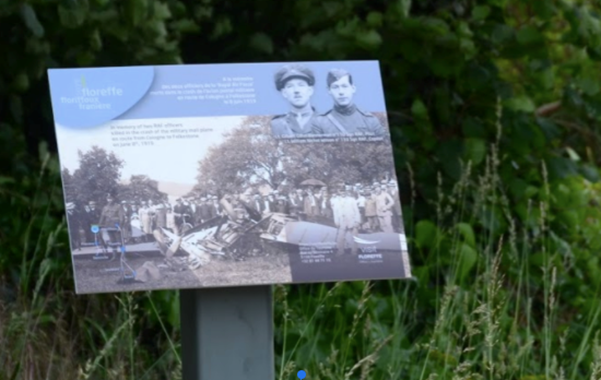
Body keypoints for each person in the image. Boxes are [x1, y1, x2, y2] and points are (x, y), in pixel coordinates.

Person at [311, 69, 385, 136]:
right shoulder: (320, 122)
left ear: (353, 88)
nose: (341, 92)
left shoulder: (370, 120)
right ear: (329, 90)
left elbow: (383, 148)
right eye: (335, 87)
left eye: (345, 86)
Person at [271, 65, 318, 137]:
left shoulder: (327, 121)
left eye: (301, 85)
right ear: (284, 93)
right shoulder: (276, 124)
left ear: (310, 90)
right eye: (290, 86)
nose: (296, 90)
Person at [333, 186, 361, 256]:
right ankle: (340, 251)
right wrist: (336, 221)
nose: (343, 193)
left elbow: (357, 211)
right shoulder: (336, 200)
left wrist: (357, 221)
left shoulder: (351, 199)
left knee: (355, 237)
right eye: (341, 191)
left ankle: (354, 251)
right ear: (339, 192)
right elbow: (335, 212)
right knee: (340, 237)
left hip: (352, 220)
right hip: (342, 221)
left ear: (346, 192)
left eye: (344, 191)